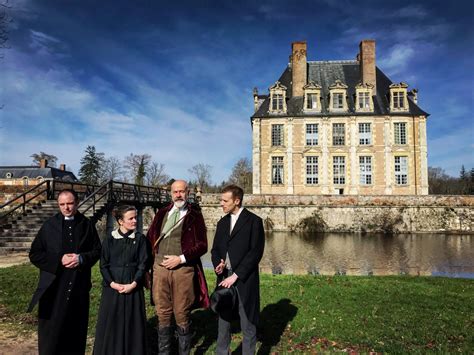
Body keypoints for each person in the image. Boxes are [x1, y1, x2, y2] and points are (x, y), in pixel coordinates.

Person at [28, 189, 101, 355]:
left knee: (75, 332)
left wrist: (81, 258)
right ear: (58, 205)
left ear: (76, 203)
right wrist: (59, 260)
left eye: (70, 203)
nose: (66, 207)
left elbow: (97, 250)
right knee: (51, 335)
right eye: (62, 204)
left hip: (78, 287)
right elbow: (35, 254)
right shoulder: (49, 226)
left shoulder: (86, 224)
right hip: (53, 288)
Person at [147, 179, 209, 355]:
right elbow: (150, 237)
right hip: (159, 270)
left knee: (182, 313)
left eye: (182, 191)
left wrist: (180, 259)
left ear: (187, 192)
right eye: (175, 192)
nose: (178, 195)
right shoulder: (161, 213)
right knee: (162, 312)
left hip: (182, 270)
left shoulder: (194, 215)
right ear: (171, 193)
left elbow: (203, 245)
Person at [211, 185, 265, 355]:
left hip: (244, 280)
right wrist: (217, 263)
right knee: (223, 322)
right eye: (221, 200)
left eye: (225, 200)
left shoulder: (254, 221)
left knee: (247, 323)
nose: (221, 203)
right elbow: (215, 250)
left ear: (237, 201)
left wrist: (236, 275)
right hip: (224, 279)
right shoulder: (222, 222)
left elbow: (255, 253)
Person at [93, 205, 151, 355]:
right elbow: (103, 265)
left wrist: (133, 284)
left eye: (135, 217)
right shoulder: (109, 239)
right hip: (112, 288)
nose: (135, 221)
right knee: (112, 322)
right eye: (130, 218)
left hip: (133, 287)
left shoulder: (140, 239)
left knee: (133, 323)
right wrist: (112, 283)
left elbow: (143, 264)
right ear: (120, 221)